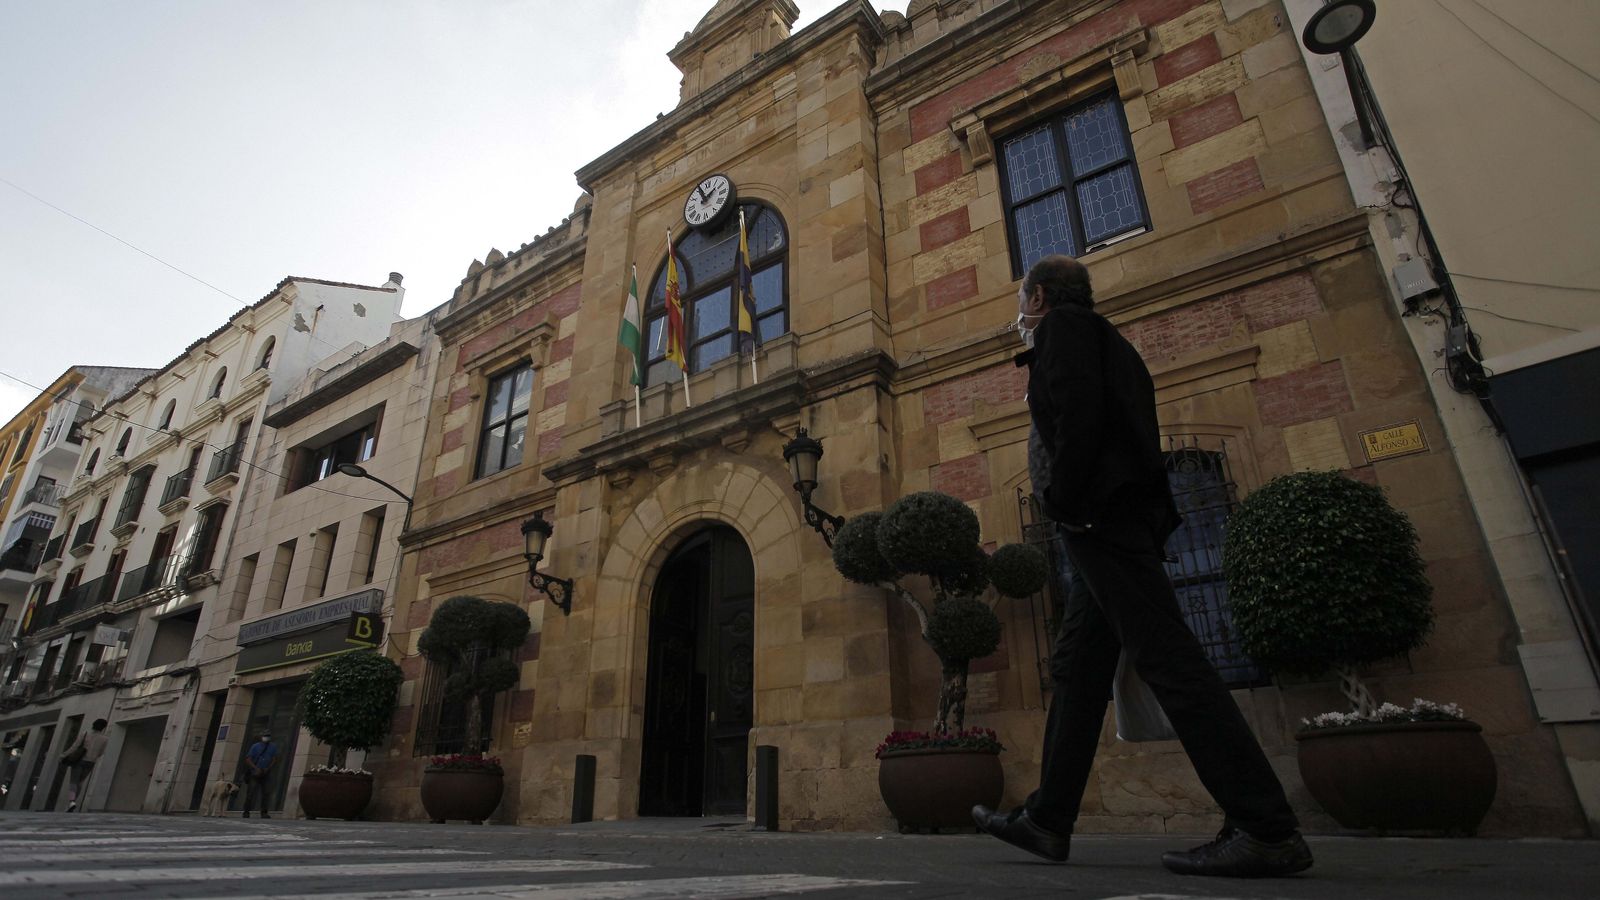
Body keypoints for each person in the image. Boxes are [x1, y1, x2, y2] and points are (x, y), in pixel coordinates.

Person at [974, 254, 1312, 878]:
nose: (1020, 314)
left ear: (1040, 296)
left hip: (1100, 521)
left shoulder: (1066, 330)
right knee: (1077, 668)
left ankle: (1266, 827)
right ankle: (1047, 819)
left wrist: (1064, 501)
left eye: (1022, 301)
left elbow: (1079, 417)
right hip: (1103, 522)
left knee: (1168, 657)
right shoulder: (1105, 338)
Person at [61, 718, 109, 812]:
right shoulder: (105, 739)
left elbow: (75, 747)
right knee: (80, 782)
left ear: (93, 725)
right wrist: (94, 756)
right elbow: (101, 752)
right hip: (91, 762)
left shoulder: (85, 734)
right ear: (103, 727)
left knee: (73, 782)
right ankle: (73, 802)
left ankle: (71, 801)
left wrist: (64, 754)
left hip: (79, 760)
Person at [242, 732, 279, 819]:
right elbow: (248, 759)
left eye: (268, 736)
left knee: (266, 793)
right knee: (251, 793)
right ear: (261, 737)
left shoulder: (273, 747)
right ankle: (246, 811)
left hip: (265, 772)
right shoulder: (255, 746)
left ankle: (264, 812)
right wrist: (255, 768)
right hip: (255, 773)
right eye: (265, 736)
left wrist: (268, 768)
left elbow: (275, 759)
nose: (266, 738)